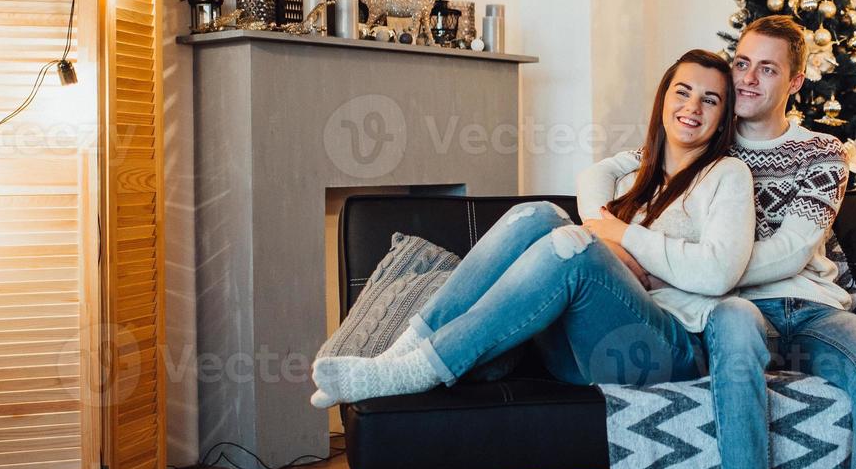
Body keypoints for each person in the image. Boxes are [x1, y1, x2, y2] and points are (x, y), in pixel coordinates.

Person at [577, 16, 856, 469]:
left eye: (768, 68)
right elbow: (601, 173)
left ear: (794, 80)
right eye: (742, 63)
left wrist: (695, 266)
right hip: (725, 308)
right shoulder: (709, 137)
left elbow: (792, 249)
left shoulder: (822, 152)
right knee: (734, 326)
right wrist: (607, 229)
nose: (749, 78)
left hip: (812, 308)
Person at [311, 49, 755, 407]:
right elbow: (593, 177)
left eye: (710, 99)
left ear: (722, 117)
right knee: (539, 214)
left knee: (571, 247)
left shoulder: (728, 175)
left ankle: (418, 370)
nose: (692, 107)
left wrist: (621, 238)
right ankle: (400, 350)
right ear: (663, 100)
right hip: (579, 350)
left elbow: (719, 274)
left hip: (664, 351)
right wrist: (609, 238)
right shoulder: (637, 173)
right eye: (683, 92)